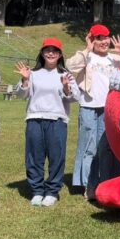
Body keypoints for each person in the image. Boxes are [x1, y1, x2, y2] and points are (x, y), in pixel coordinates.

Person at [67, 24, 120, 201]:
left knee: (109, 147)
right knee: (89, 147)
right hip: (88, 106)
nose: (103, 42)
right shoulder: (86, 56)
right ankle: (90, 185)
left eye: (105, 38)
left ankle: (109, 182)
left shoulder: (115, 58)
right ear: (92, 40)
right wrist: (86, 49)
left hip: (110, 108)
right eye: (98, 38)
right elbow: (70, 66)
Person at [15, 37, 80, 207]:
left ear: (60, 55)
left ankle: (52, 191)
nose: (51, 53)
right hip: (35, 118)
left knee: (56, 157)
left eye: (55, 50)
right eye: (47, 50)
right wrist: (24, 80)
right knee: (34, 157)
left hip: (57, 120)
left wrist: (66, 88)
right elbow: (21, 95)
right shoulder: (33, 74)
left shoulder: (65, 74)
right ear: (42, 53)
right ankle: (37, 190)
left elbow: (76, 97)